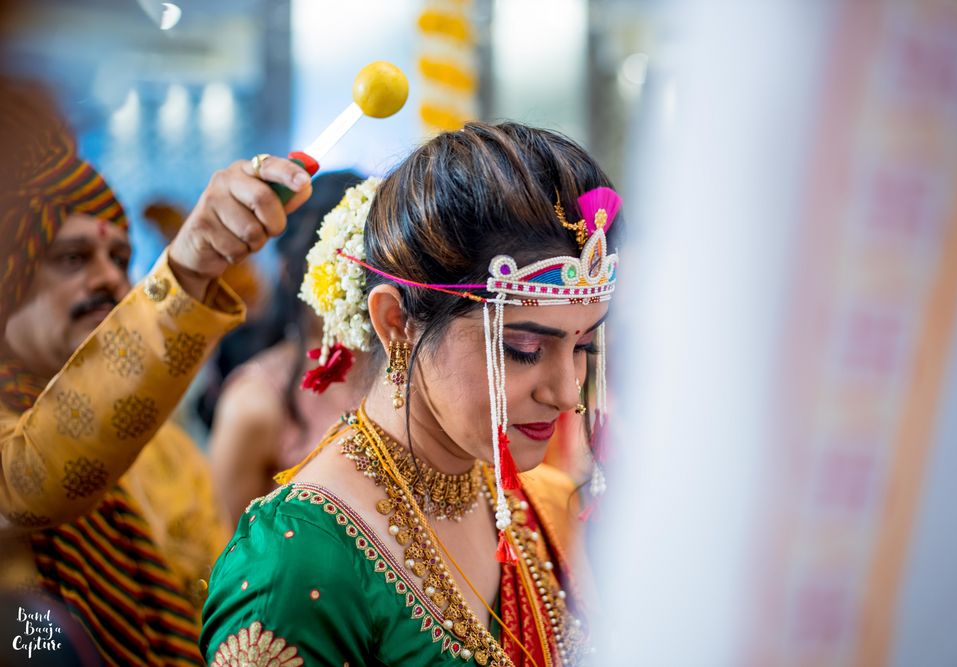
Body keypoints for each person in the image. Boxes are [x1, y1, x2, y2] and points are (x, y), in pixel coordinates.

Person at [200, 122, 619, 666]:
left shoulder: (533, 500)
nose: (567, 393)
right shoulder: (294, 562)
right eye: (521, 347)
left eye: (584, 345)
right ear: (397, 322)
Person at [0, 79, 313, 665]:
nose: (109, 281)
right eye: (72, 258)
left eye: (120, 259)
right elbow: (32, 479)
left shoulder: (162, 450)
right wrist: (190, 269)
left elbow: (223, 604)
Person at [208, 170, 373, 524]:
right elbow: (228, 553)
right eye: (341, 268)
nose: (359, 285)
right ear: (291, 273)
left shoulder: (401, 370)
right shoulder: (255, 402)